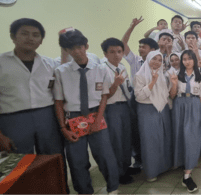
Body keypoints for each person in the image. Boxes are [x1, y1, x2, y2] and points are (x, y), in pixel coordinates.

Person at [53, 29, 119, 195]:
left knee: (105, 156)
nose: (76, 51)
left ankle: (113, 188)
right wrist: (63, 128)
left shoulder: (100, 69)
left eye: (79, 47)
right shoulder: (61, 72)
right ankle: (84, 191)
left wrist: (98, 119)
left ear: (86, 46)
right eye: (71, 48)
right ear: (67, 50)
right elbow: (59, 102)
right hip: (73, 119)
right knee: (77, 161)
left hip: (96, 114)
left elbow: (104, 96)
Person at [0, 18, 64, 160]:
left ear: (41, 41)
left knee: (53, 159)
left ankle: (57, 184)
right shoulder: (2, 63)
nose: (30, 38)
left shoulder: (49, 63)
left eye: (36, 35)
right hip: (13, 120)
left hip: (47, 117)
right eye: (24, 33)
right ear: (13, 36)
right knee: (17, 164)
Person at [122, 16, 159, 173]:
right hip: (135, 99)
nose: (140, 49)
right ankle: (138, 159)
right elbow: (123, 44)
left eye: (143, 47)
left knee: (150, 130)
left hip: (151, 99)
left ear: (152, 50)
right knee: (135, 129)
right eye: (139, 47)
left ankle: (153, 157)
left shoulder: (158, 63)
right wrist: (132, 27)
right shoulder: (135, 61)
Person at [170, 50, 201, 192]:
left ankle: (187, 175)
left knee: (192, 137)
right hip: (179, 105)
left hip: (194, 106)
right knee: (180, 136)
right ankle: (181, 163)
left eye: (190, 59)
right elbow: (172, 95)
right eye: (184, 59)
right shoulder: (176, 75)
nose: (187, 61)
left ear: (194, 60)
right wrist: (174, 83)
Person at [133, 51, 173, 182]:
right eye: (154, 59)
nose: (156, 62)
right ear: (148, 59)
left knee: (164, 138)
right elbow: (139, 96)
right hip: (147, 110)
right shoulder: (140, 75)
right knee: (150, 141)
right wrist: (152, 82)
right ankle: (152, 171)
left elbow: (166, 93)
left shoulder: (163, 74)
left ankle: (165, 166)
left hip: (163, 109)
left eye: (159, 60)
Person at [100, 38, 134, 184]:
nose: (117, 55)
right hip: (111, 108)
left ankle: (126, 167)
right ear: (105, 53)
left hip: (125, 106)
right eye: (112, 52)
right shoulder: (102, 69)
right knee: (116, 141)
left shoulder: (122, 67)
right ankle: (118, 172)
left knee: (126, 139)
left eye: (119, 51)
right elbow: (104, 96)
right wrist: (115, 84)